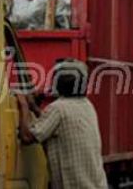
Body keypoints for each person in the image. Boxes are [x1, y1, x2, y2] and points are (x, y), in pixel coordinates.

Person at [17, 58, 107, 189]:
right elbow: (53, 125)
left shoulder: (58, 108)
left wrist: (24, 105)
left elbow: (27, 136)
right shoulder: (87, 106)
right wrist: (35, 108)